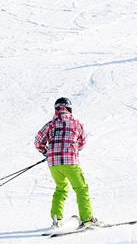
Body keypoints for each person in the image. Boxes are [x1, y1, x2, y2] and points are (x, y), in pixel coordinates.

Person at [35, 97, 97, 228]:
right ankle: (87, 219)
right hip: (70, 162)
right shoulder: (76, 123)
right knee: (81, 188)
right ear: (69, 109)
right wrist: (72, 149)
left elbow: (38, 141)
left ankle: (57, 220)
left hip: (54, 164)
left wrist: (47, 152)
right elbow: (82, 142)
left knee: (61, 189)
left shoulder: (50, 124)